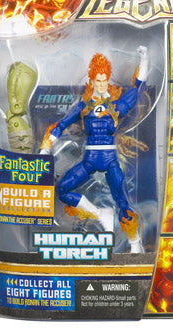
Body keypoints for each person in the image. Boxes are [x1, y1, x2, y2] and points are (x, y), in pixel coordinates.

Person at [40, 47, 149, 253]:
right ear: (92, 81)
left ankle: (135, 244)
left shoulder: (117, 106)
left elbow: (139, 88)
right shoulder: (84, 107)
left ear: (108, 80)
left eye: (104, 80)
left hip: (110, 159)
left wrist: (144, 59)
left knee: (123, 203)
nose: (101, 84)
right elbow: (61, 125)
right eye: (97, 80)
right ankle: (100, 214)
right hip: (89, 160)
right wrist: (45, 149)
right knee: (62, 190)